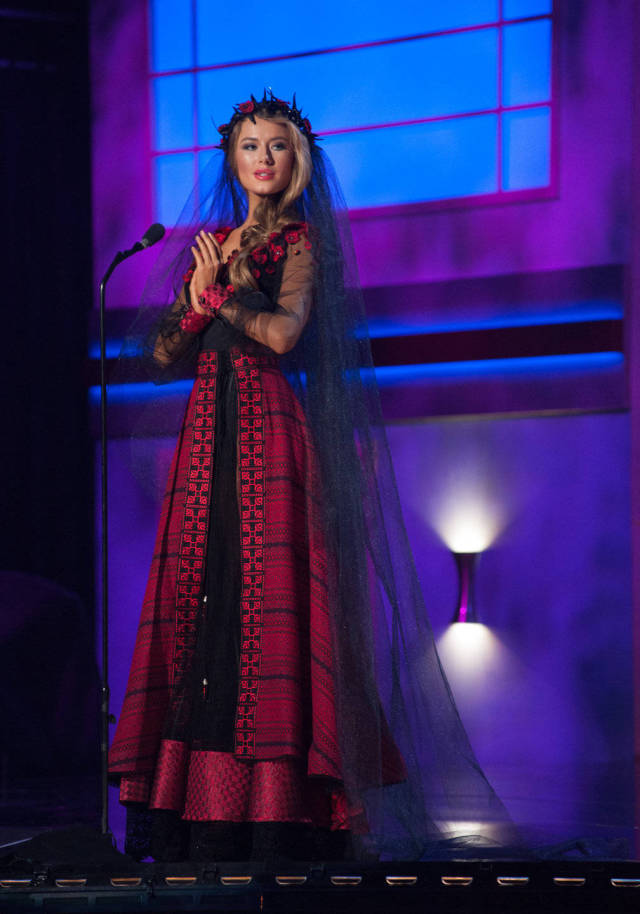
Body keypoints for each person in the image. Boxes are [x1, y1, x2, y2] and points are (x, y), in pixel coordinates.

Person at [109, 92, 514, 863]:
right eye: (251, 146)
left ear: (297, 162)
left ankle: (274, 809)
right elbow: (161, 355)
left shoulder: (297, 242)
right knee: (204, 602)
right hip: (207, 441)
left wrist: (225, 292)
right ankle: (197, 808)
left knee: (267, 606)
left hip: (266, 436)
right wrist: (197, 305)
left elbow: (286, 334)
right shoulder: (215, 242)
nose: (263, 158)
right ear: (233, 160)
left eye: (278, 146)